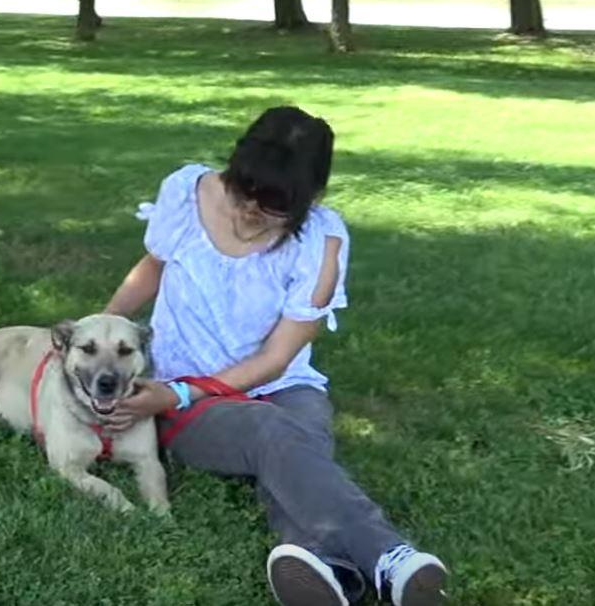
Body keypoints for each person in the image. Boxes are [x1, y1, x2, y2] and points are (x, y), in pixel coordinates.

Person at [102, 107, 447, 606]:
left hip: (280, 383)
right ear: (235, 165)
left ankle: (326, 566)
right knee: (277, 433)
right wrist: (103, 325)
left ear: (311, 198)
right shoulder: (186, 190)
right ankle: (389, 556)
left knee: (293, 428)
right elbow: (153, 267)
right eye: (244, 191)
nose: (250, 211)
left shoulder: (322, 240)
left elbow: (278, 358)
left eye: (275, 205)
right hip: (181, 394)